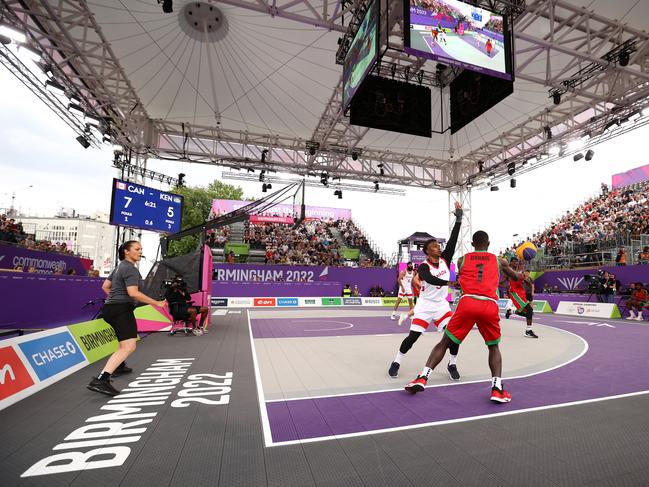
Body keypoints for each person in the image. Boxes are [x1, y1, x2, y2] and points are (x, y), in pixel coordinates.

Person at [405, 230, 522, 403]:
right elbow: (516, 277)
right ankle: (497, 388)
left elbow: (470, 274)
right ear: (488, 244)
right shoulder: (499, 261)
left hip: (467, 302)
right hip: (489, 304)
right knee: (493, 347)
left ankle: (422, 377)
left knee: (444, 342)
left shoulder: (462, 260)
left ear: (473, 244)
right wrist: (521, 273)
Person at [388, 202, 463, 380]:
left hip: (441, 306)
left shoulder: (445, 259)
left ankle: (452, 364)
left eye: (439, 245)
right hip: (425, 305)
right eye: (435, 246)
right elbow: (429, 279)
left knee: (453, 336)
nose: (439, 247)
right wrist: (450, 283)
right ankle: (396, 362)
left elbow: (453, 239)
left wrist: (458, 218)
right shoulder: (423, 266)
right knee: (412, 337)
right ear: (428, 251)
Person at [87, 241, 167, 396]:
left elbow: (105, 286)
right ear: (126, 252)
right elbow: (133, 293)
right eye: (137, 249)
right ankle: (101, 380)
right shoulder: (130, 269)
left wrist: (114, 299)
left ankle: (118, 365)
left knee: (124, 344)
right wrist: (157, 303)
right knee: (129, 347)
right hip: (121, 310)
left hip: (111, 309)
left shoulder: (119, 267)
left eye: (141, 249)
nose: (140, 251)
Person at [504, 260, 539, 338]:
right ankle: (528, 331)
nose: (517, 264)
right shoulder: (511, 272)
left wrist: (527, 283)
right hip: (515, 293)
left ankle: (511, 311)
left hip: (521, 293)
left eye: (519, 263)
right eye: (515, 262)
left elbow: (524, 280)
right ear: (511, 264)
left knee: (528, 313)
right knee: (530, 310)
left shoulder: (521, 274)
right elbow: (507, 280)